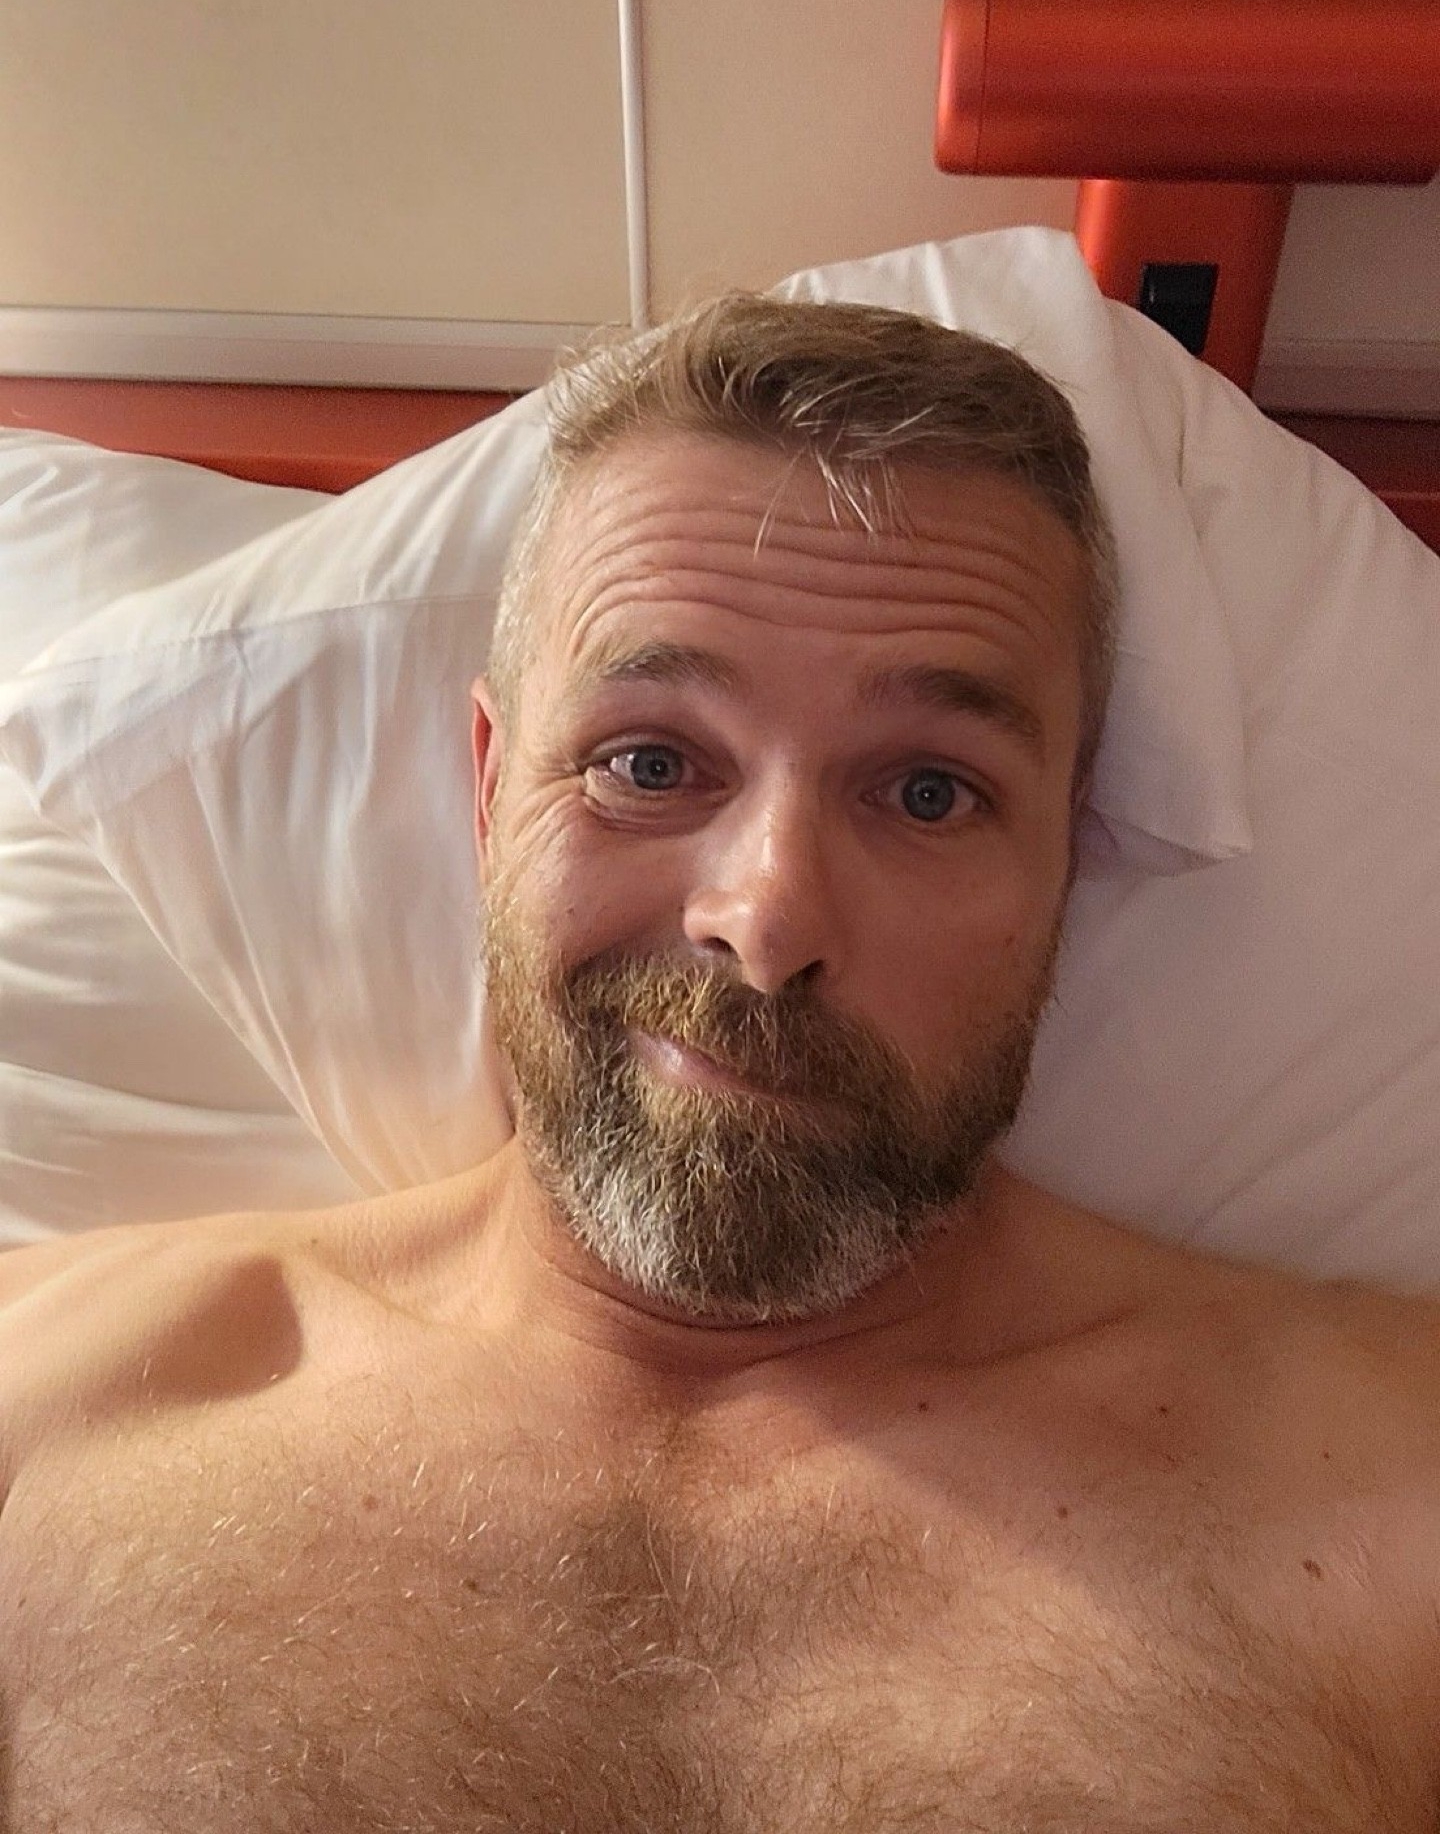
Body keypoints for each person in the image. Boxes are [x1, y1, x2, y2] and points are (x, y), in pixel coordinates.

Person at [1, 294, 1437, 1833]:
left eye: (931, 792)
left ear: (1063, 865)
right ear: (491, 799)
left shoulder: (1388, 1494)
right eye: (649, 762)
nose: (766, 921)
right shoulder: (52, 1412)